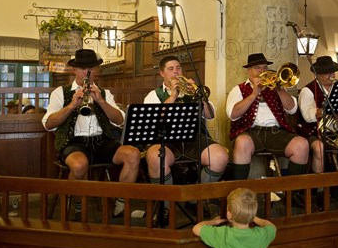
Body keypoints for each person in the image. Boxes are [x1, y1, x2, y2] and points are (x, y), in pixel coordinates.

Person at [42, 49, 140, 219]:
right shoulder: (60, 92)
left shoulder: (105, 93)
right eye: (82, 68)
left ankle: (120, 205)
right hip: (74, 142)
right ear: (74, 70)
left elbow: (119, 120)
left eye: (91, 68)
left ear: (96, 71)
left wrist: (100, 101)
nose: (87, 72)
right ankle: (80, 208)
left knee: (133, 154)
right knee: (79, 166)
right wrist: (72, 105)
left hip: (102, 141)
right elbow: (49, 124)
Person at [143, 55, 228, 192]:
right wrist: (173, 96)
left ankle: (196, 197)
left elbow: (210, 115)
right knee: (155, 157)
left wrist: (198, 95)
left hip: (194, 139)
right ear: (162, 73)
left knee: (220, 156)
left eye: (178, 68)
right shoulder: (154, 95)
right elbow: (154, 121)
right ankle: (165, 204)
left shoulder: (192, 91)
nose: (176, 72)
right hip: (166, 141)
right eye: (171, 69)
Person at [226, 53, 309, 180]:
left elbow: (292, 109)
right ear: (249, 70)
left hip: (276, 132)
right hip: (251, 132)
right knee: (242, 142)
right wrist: (254, 94)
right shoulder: (238, 89)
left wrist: (279, 89)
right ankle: (240, 190)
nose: (262, 71)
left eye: (265, 67)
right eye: (257, 68)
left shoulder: (276, 88)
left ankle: (292, 193)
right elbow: (233, 114)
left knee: (302, 145)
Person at [192, 188, 276, 248]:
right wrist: (253, 217)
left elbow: (196, 228)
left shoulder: (222, 234)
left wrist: (214, 222)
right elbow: (271, 226)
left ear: (229, 214)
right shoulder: (261, 236)